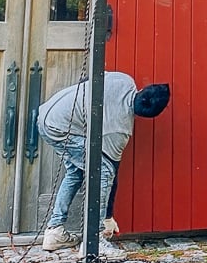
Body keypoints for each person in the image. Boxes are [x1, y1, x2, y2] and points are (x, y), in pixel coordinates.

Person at [36, 72, 170, 252]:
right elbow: (110, 171)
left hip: (48, 113)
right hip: (59, 128)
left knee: (76, 174)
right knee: (104, 172)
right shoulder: (119, 130)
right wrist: (108, 217)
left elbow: (87, 78)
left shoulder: (124, 80)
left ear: (143, 90)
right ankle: (95, 239)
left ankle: (55, 230)